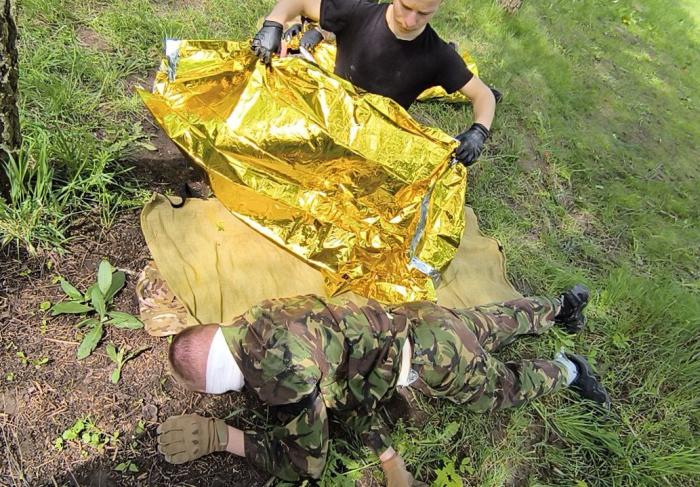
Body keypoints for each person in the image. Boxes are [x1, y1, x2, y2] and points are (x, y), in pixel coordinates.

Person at [156, 286, 610, 484]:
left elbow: (307, 463)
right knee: (487, 322)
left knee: (502, 388)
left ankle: (569, 369)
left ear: (218, 386)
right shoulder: (257, 315)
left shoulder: (281, 379)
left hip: (437, 358)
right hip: (417, 317)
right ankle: (561, 306)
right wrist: (389, 458)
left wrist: (223, 437)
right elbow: (345, 393)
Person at [251, 0, 497, 167]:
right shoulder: (359, 14)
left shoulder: (438, 56)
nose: (410, 21)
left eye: (423, 14)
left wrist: (479, 131)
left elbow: (483, 95)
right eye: (406, 6)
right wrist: (274, 22)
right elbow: (300, 2)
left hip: (375, 142)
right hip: (330, 116)